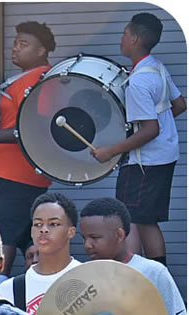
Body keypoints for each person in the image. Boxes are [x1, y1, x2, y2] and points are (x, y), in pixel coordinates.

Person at [91, 13, 186, 264]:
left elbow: (150, 130)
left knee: (129, 219)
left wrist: (111, 150)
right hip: (163, 157)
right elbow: (179, 104)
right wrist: (161, 129)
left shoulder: (139, 82)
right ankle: (159, 275)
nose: (121, 38)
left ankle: (134, 275)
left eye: (124, 33)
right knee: (147, 220)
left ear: (133, 38)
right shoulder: (156, 67)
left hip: (144, 163)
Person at [0, 21, 55, 276]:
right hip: (29, 174)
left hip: (11, 174)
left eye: (23, 44)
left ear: (41, 51)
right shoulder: (32, 78)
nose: (15, 49)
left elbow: (32, 129)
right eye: (15, 43)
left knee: (3, 239)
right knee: (29, 239)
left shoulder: (36, 81)